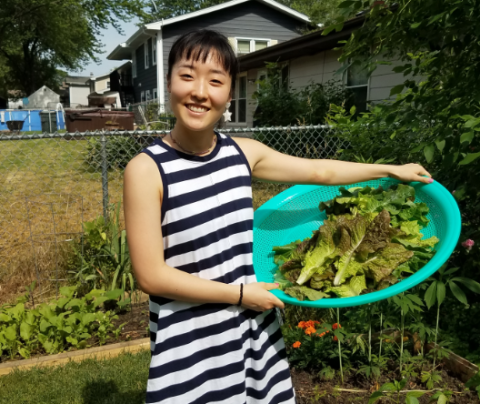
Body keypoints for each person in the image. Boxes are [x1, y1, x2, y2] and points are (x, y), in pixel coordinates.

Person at [123, 29, 432, 404]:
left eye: (216, 81)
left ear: (230, 91)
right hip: (191, 336)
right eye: (187, 76)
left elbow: (321, 174)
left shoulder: (243, 152)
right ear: (169, 81)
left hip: (251, 324)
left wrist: (387, 169)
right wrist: (239, 295)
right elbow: (150, 276)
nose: (200, 92)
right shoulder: (146, 169)